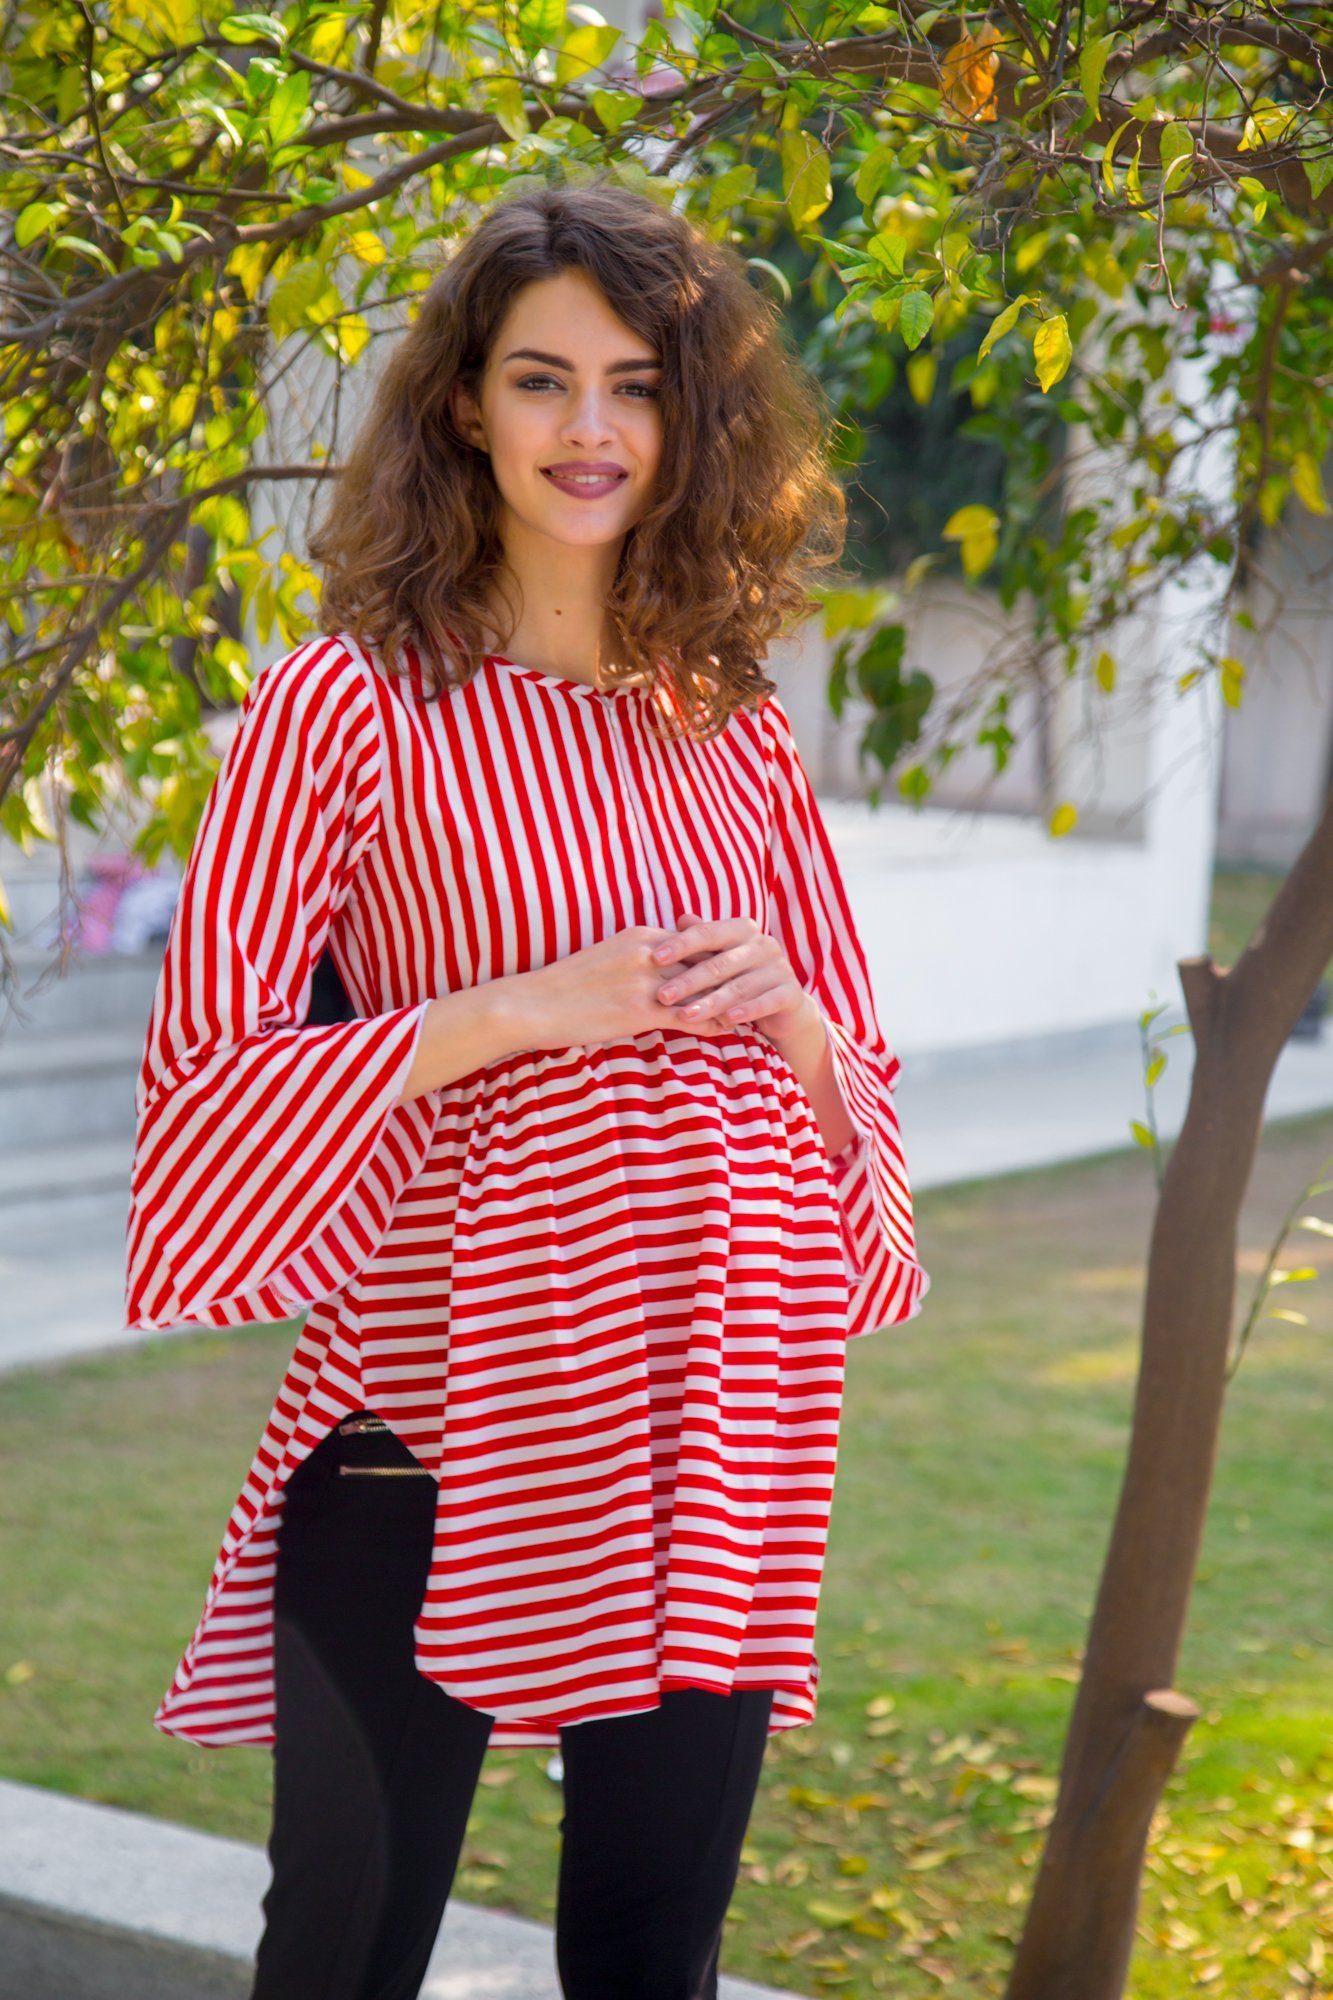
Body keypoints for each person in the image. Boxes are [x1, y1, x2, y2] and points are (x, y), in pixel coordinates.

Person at [124, 175, 930, 2000]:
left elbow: (858, 1085)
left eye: (636, 385)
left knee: (653, 1953)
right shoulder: (341, 706)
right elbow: (206, 1083)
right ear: (463, 404)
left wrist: (797, 1025)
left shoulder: (730, 722)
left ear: (693, 419)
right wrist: (520, 1009)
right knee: (342, 1955)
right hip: (421, 1430)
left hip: (705, 1425)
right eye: (541, 379)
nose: (590, 429)